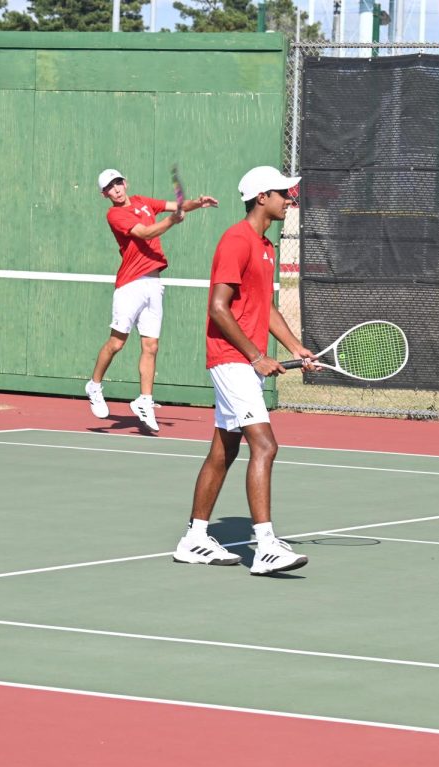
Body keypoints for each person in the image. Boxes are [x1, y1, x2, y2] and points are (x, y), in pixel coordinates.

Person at [175, 166, 316, 575]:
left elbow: (263, 307)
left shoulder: (266, 247)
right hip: (231, 359)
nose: (290, 200)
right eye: (283, 194)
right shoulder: (236, 241)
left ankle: (195, 538)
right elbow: (219, 308)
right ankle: (266, 547)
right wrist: (256, 355)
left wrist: (295, 347)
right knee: (266, 445)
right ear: (261, 198)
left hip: (242, 362)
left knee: (226, 447)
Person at [85, 168, 218, 432]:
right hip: (130, 285)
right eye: (110, 187)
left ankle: (145, 400)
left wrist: (196, 204)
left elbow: (176, 205)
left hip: (154, 283)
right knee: (116, 343)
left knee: (151, 346)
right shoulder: (115, 214)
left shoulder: (143, 201)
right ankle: (95, 384)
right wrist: (172, 221)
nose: (117, 189)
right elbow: (145, 233)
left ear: (126, 182)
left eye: (119, 182)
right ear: (105, 194)